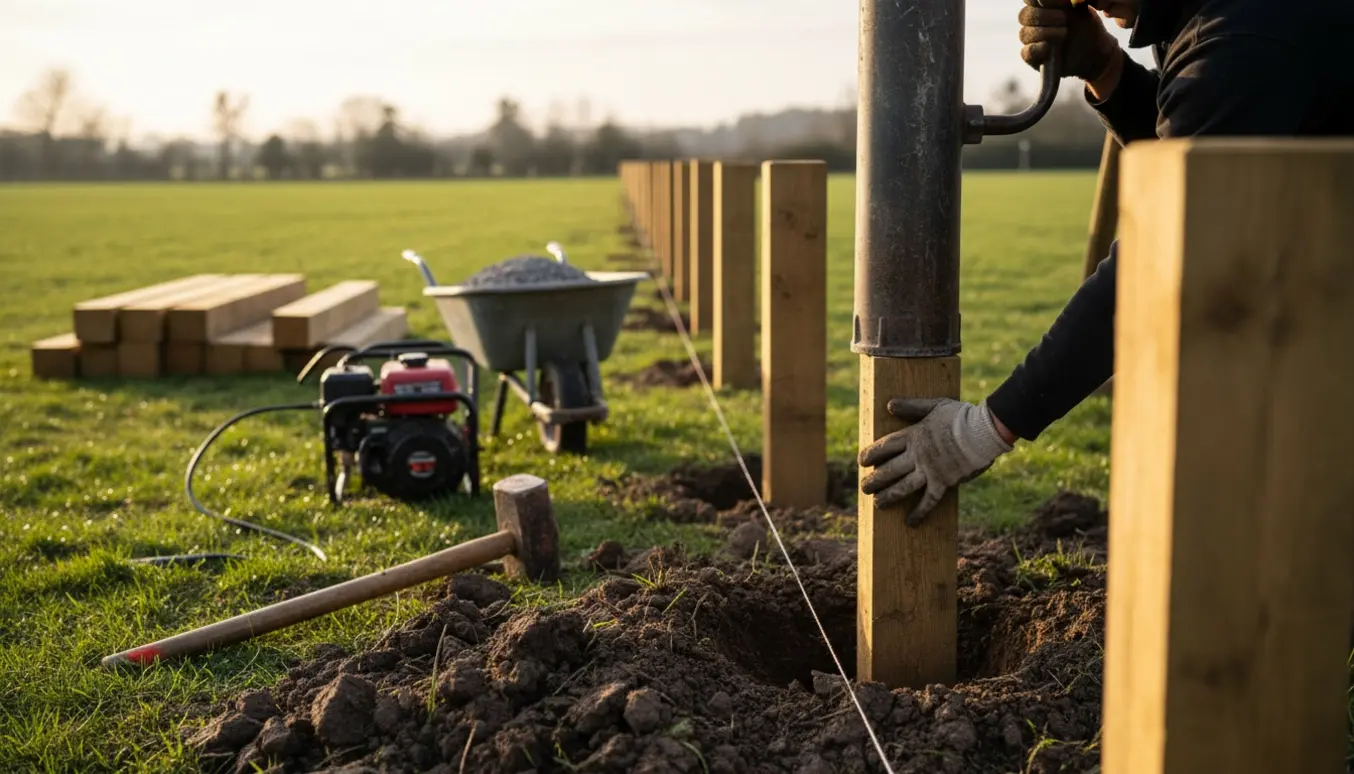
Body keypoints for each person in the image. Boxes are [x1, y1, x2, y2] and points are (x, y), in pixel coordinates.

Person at [858, 0, 1354, 524]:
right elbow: (1192, 166)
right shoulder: (1217, 22)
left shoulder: (1245, 36)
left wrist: (983, 430)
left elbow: (1163, 256)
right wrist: (1105, 68)